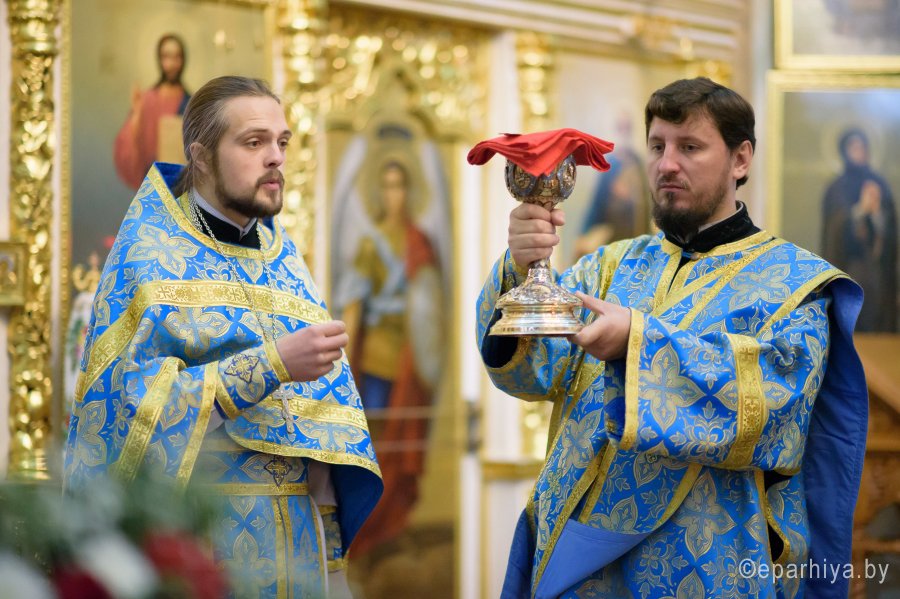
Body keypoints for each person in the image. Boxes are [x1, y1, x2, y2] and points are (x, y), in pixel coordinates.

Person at [476, 77, 868, 598]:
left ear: (740, 159)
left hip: (706, 565)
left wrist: (637, 343)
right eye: (658, 146)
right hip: (575, 562)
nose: (666, 164)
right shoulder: (609, 266)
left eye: (690, 147)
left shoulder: (797, 286)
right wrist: (523, 266)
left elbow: (774, 409)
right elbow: (531, 371)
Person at [65, 76, 382, 598]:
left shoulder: (284, 259)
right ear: (202, 156)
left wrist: (332, 566)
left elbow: (322, 434)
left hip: (298, 549)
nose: (275, 157)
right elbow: (131, 416)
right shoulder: (149, 255)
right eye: (254, 142)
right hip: (199, 538)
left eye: (282, 142)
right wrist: (271, 365)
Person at [333, 160, 441, 555]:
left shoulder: (420, 242)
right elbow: (353, 305)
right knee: (379, 442)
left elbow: (431, 306)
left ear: (409, 191)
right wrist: (342, 364)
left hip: (411, 361)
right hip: (377, 360)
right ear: (380, 192)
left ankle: (396, 524)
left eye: (400, 186)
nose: (394, 194)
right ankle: (371, 526)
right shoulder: (371, 243)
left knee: (406, 438)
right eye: (388, 186)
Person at [821, 127, 898, 332]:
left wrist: (876, 213)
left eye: (862, 147)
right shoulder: (836, 188)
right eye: (854, 147)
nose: (859, 152)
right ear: (844, 151)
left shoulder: (879, 184)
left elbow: (889, 232)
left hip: (878, 277)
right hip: (849, 271)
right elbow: (834, 232)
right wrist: (860, 211)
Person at [113, 34, 191, 190]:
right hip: (154, 185)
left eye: (176, 57)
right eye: (166, 57)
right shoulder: (147, 100)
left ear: (183, 60)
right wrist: (137, 113)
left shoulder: (190, 102)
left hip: (182, 186)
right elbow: (129, 146)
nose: (171, 64)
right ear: (159, 59)